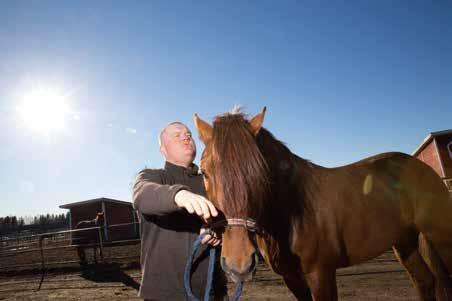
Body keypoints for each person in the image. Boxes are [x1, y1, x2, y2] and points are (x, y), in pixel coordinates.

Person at [132, 121, 227, 301]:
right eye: (177, 135)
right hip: (165, 294)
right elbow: (142, 195)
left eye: (188, 134)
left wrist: (217, 231)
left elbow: (225, 221)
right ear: (163, 149)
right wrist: (178, 195)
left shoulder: (210, 183)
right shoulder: (152, 177)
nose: (186, 136)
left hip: (213, 291)